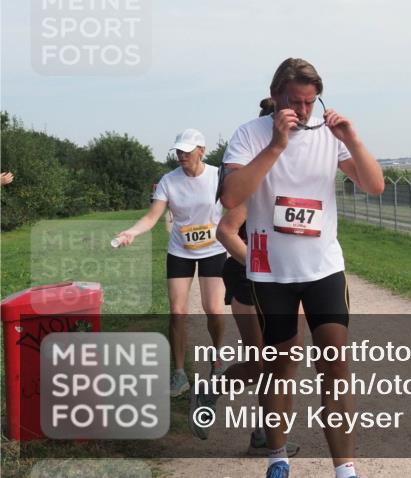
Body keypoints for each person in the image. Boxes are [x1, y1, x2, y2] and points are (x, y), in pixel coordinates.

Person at [220, 58, 384, 478]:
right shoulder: (249, 135)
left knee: (335, 363)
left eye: (310, 102)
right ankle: (277, 458)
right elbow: (231, 198)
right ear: (275, 97)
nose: (304, 110)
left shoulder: (330, 136)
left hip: (323, 268)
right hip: (272, 273)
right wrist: (276, 145)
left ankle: (345, 469)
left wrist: (353, 139)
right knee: (280, 366)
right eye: (295, 101)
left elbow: (374, 186)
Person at [190, 98, 301, 458]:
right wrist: (262, 268)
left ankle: (263, 434)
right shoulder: (252, 177)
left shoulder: (297, 174)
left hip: (289, 276)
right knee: (263, 363)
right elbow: (226, 231)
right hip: (250, 276)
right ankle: (213, 389)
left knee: (285, 362)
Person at [115, 129, 228, 397]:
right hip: (181, 250)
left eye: (187, 151)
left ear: (201, 150)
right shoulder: (169, 180)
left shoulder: (219, 176)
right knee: (177, 312)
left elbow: (236, 206)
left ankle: (218, 361)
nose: (181, 156)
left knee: (213, 309)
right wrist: (131, 231)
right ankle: (179, 374)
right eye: (178, 151)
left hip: (213, 249)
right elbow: (153, 216)